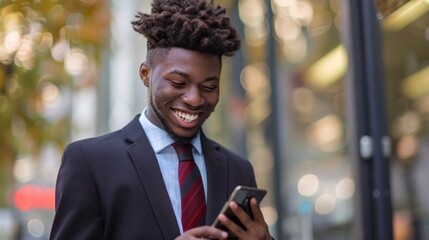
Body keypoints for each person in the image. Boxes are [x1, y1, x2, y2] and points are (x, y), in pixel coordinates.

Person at [50, 0, 273, 239]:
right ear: (146, 74)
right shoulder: (90, 163)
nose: (195, 99)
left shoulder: (238, 169)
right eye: (178, 83)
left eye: (209, 86)